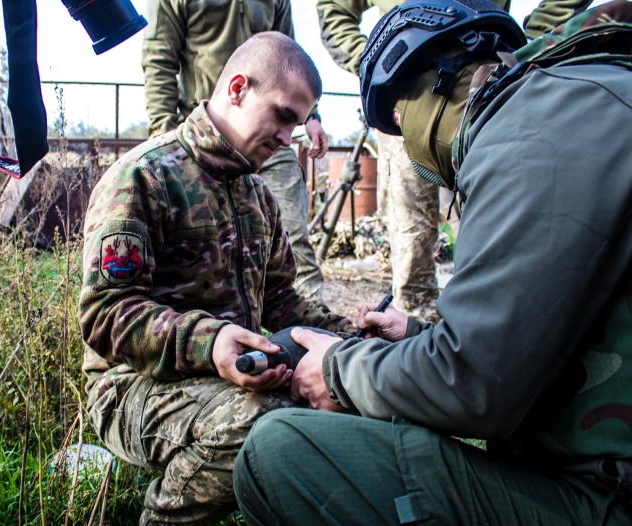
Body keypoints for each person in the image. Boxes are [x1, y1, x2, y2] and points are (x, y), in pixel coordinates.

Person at [233, 1, 632, 524]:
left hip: (606, 500)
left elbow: (476, 386)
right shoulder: (583, 99)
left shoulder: (532, 131)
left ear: (437, 84)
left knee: (277, 453)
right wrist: (421, 335)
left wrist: (338, 368)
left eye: (399, 122)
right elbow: (565, 330)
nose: (409, 149)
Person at [81, 33, 354, 526]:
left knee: (344, 393)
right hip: (133, 387)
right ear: (236, 88)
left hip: (237, 378)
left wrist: (355, 339)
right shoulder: (145, 177)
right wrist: (212, 343)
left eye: (298, 123)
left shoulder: (258, 195)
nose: (288, 138)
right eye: (283, 116)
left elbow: (284, 304)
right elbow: (106, 316)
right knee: (264, 424)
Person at [315, 0, 594, 321]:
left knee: (497, 225)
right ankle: (417, 337)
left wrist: (529, 42)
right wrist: (380, 63)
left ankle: (483, 324)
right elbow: (334, 10)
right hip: (410, 104)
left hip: (488, 89)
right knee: (411, 237)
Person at [142, 0, 330, 307]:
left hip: (268, 130)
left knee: (294, 236)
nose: (289, 138)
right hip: (205, 139)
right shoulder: (145, 176)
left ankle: (314, 335)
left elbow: (291, 59)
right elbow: (159, 59)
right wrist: (168, 147)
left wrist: (309, 118)